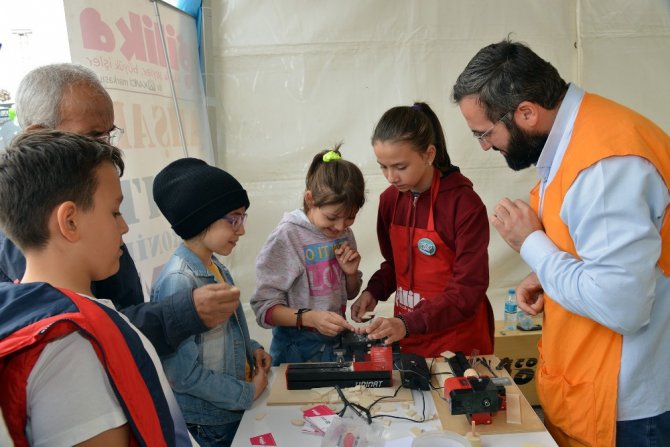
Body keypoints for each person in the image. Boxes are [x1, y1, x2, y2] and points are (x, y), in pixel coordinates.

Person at [452, 39, 670, 447]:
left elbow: (623, 305)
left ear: (526, 112)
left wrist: (532, 243)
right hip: (588, 390)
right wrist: (548, 275)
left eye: (485, 134)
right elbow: (606, 256)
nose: (486, 146)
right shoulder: (577, 139)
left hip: (624, 410)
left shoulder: (604, 168)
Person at [0, 63, 239, 355]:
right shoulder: (54, 343)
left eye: (109, 135)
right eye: (93, 137)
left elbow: (117, 311)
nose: (107, 150)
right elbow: (92, 331)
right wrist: (180, 313)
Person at [0, 130, 192, 446]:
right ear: (70, 222)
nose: (124, 226)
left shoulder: (33, 314)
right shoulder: (72, 347)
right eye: (115, 211)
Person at [351, 102, 494, 358]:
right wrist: (374, 290)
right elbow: (395, 265)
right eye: (383, 166)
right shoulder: (389, 201)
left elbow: (468, 289)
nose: (391, 177)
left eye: (400, 167)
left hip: (457, 341)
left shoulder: (463, 205)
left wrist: (408, 323)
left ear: (428, 154)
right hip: (409, 337)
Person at [151, 158, 272, 447]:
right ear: (201, 218)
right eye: (234, 219)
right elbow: (182, 374)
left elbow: (224, 337)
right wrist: (247, 392)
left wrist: (251, 350)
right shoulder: (179, 281)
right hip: (210, 422)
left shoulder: (215, 265)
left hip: (229, 411)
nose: (241, 230)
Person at [250, 146, 365, 365]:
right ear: (310, 199)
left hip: (336, 344)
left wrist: (350, 275)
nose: (341, 227)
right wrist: (309, 317)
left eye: (350, 218)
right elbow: (263, 309)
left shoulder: (343, 234)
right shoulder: (288, 236)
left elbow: (349, 294)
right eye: (332, 217)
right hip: (297, 348)